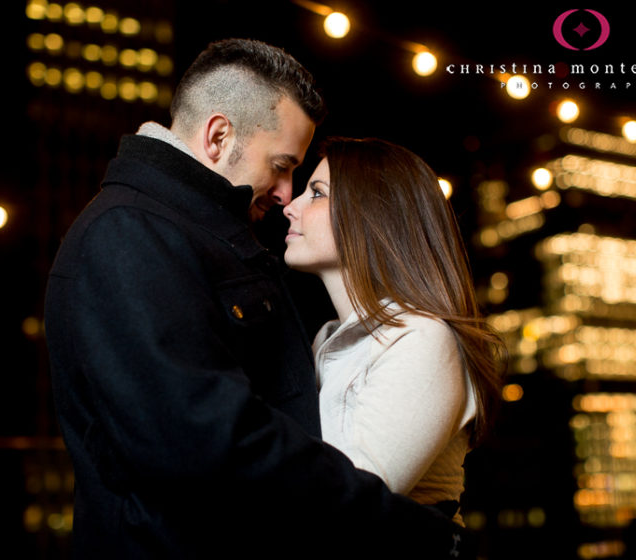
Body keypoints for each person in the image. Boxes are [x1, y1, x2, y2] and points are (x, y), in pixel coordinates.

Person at [45, 38, 468, 559]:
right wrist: (419, 532)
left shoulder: (191, 236)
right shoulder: (133, 234)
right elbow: (205, 440)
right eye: (284, 165)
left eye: (310, 186)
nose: (286, 195)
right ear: (219, 136)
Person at [283, 137, 506, 530]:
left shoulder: (421, 337)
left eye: (316, 194)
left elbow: (346, 502)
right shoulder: (326, 341)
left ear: (370, 215)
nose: (290, 207)